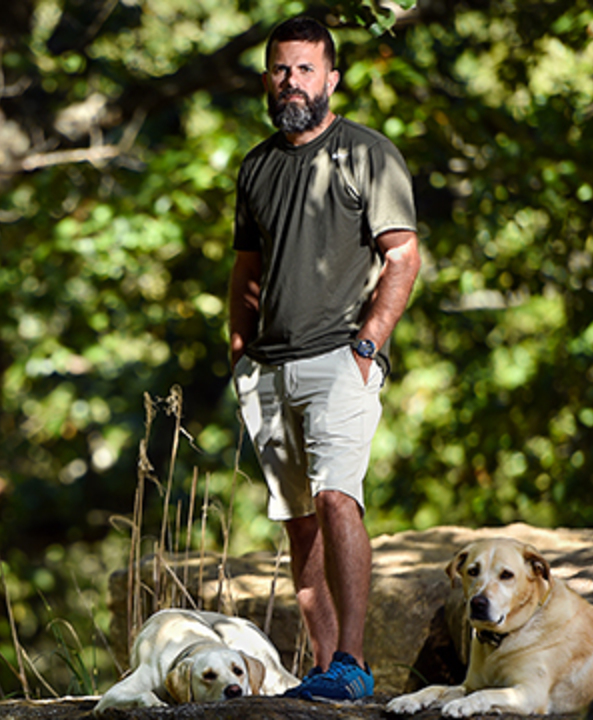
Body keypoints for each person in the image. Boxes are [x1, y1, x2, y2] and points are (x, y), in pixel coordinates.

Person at [228, 15, 421, 702]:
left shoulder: (367, 154)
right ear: (267, 78)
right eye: (282, 69)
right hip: (268, 369)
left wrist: (369, 344)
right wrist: (240, 351)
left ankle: (353, 663)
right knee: (298, 520)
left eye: (306, 69)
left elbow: (403, 254)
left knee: (337, 497)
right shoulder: (256, 166)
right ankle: (322, 668)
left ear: (331, 79)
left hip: (340, 359)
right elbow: (247, 267)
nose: (292, 81)